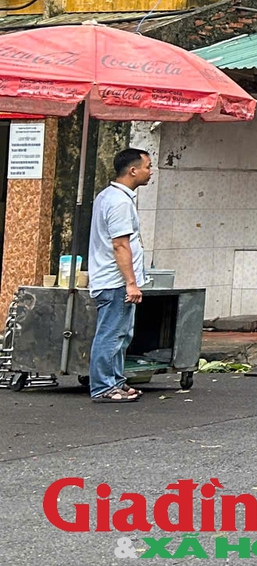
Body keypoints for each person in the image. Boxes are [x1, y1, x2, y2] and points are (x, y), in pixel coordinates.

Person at [88, 147, 153, 403]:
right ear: (133, 170)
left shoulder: (110, 196)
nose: (150, 172)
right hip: (115, 281)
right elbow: (120, 244)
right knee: (111, 334)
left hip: (113, 280)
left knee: (120, 335)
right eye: (147, 167)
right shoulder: (118, 202)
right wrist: (131, 283)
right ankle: (104, 386)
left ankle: (115, 381)